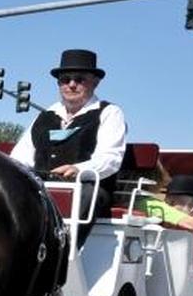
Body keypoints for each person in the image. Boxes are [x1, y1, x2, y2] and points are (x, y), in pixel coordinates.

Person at [10, 49, 127, 245]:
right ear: (59, 84)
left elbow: (111, 158)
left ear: (95, 82)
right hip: (42, 184)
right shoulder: (45, 115)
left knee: (83, 195)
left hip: (86, 186)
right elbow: (21, 155)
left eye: (80, 79)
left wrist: (78, 169)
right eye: (65, 80)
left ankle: (63, 250)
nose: (71, 84)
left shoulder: (109, 113)